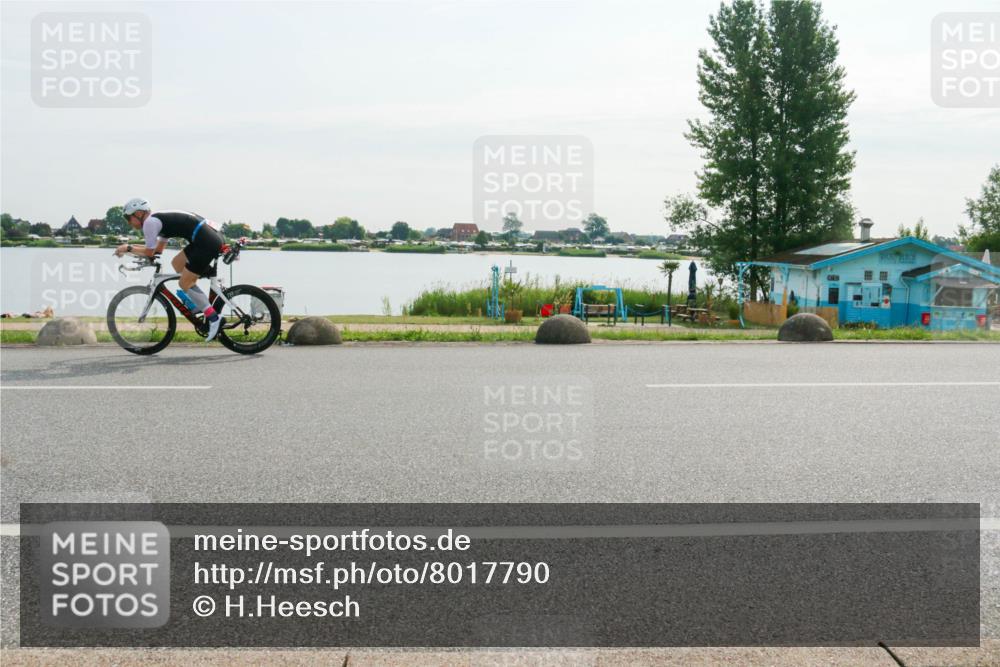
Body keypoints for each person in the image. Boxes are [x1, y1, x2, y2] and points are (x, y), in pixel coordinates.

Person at [114, 198, 225, 341]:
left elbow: (149, 252)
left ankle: (214, 318)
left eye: (129, 218)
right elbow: (157, 250)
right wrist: (141, 255)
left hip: (205, 242)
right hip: (207, 238)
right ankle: (198, 305)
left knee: (184, 283)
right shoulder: (157, 221)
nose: (129, 223)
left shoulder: (149, 223)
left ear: (139, 213)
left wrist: (127, 247)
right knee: (177, 263)